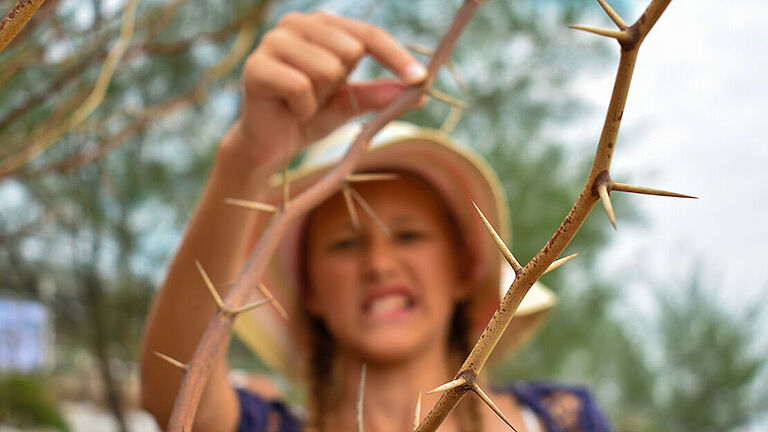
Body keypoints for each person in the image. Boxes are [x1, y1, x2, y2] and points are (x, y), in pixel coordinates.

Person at [139, 11, 612, 432]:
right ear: (310, 289)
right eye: (344, 243)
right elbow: (177, 398)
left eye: (409, 235)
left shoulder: (560, 419)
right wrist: (249, 156)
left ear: (465, 268)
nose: (379, 264)